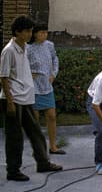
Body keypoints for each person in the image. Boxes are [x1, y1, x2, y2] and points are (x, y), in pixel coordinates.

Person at [0, 16, 63, 181]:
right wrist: (10, 102)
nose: (30, 34)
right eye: (27, 31)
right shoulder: (9, 50)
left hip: (27, 97)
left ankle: (43, 162)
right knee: (15, 137)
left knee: (36, 133)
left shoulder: (25, 48)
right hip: (13, 99)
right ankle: (13, 171)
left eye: (30, 31)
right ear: (17, 32)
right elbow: (4, 77)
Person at [27, 22, 65, 154]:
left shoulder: (49, 45)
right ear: (35, 33)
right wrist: (28, 75)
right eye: (41, 32)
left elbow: (55, 60)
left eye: (45, 32)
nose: (44, 35)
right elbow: (22, 65)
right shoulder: (28, 47)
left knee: (52, 116)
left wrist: (53, 74)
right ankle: (38, 148)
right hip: (34, 86)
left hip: (47, 86)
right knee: (35, 119)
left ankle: (53, 146)